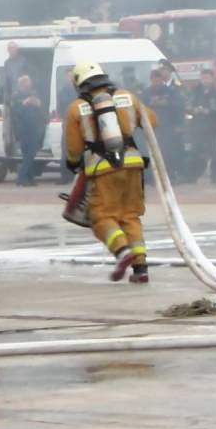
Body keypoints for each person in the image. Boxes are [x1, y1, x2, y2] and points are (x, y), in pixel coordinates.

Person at [64, 61, 156, 283]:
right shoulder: (127, 96)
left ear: (79, 83)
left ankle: (121, 251)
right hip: (134, 164)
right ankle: (140, 268)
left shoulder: (77, 107)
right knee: (130, 216)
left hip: (103, 169)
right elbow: (152, 121)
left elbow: (74, 149)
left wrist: (73, 164)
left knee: (102, 216)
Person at [143, 68, 184, 183]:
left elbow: (178, 108)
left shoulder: (170, 92)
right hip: (152, 128)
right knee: (152, 153)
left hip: (167, 127)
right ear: (151, 80)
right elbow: (141, 108)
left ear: (161, 80)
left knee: (168, 152)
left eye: (158, 79)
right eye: (154, 79)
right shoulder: (146, 93)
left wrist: (178, 125)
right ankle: (153, 178)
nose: (156, 82)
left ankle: (170, 176)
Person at [186, 69, 216, 183]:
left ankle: (215, 177)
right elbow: (188, 106)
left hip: (212, 128)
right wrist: (194, 110)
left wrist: (208, 111)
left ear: (213, 79)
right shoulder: (195, 92)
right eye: (203, 78)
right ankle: (192, 176)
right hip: (197, 128)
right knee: (195, 152)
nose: (205, 80)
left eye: (208, 78)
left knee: (214, 154)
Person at [12, 75, 46, 186]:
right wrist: (23, 104)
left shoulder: (34, 94)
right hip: (23, 128)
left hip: (35, 128)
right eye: (25, 84)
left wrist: (38, 104)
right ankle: (27, 178)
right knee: (26, 154)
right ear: (21, 85)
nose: (27, 86)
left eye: (28, 83)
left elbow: (42, 110)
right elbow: (15, 112)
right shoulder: (16, 96)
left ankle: (24, 178)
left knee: (31, 153)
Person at [1, 42, 28, 158]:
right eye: (10, 49)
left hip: (23, 95)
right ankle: (16, 147)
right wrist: (7, 97)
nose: (12, 51)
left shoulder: (24, 61)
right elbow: (5, 82)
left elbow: (28, 77)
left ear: (18, 50)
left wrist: (22, 90)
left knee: (24, 123)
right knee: (13, 125)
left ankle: (23, 146)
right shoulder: (6, 63)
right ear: (8, 50)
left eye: (14, 48)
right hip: (12, 98)